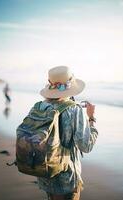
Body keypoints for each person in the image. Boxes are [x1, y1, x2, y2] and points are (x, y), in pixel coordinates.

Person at [37, 66, 98, 200]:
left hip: (45, 173)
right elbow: (86, 146)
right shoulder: (74, 110)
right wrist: (91, 119)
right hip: (67, 178)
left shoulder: (41, 106)